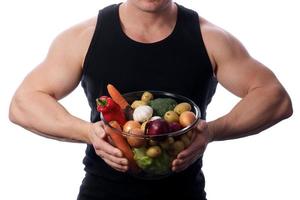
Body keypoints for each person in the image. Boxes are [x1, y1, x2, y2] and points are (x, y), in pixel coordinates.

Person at [9, 0, 293, 199]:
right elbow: (24, 103)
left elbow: (275, 98)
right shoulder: (83, 37)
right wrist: (88, 132)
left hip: (185, 194)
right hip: (101, 193)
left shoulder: (210, 38)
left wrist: (213, 131)